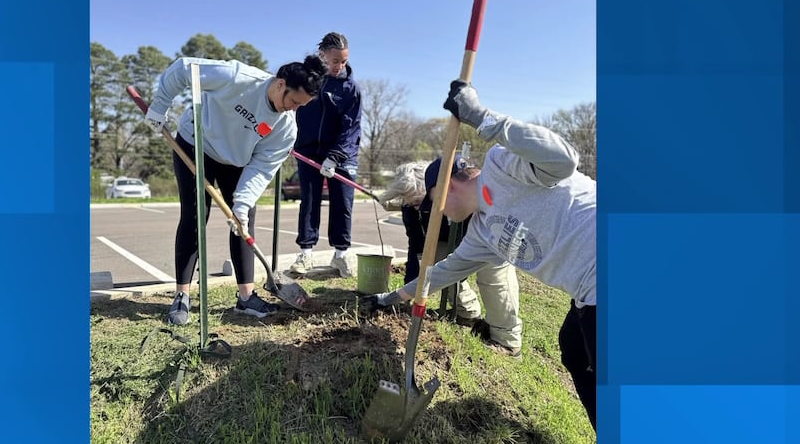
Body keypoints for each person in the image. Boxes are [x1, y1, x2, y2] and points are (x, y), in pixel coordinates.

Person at [363, 80, 597, 430]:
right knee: (575, 350)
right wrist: (391, 298)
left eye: (434, 202)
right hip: (588, 290)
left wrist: (480, 116)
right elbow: (444, 272)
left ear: (447, 184)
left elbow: (564, 160)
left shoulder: (501, 167)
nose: (437, 213)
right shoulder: (482, 232)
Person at [144, 55, 328, 325]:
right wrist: (160, 106)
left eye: (301, 106)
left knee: (244, 221)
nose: (293, 109)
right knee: (196, 216)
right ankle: (182, 295)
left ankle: (246, 298)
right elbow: (184, 69)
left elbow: (262, 168)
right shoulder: (237, 78)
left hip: (236, 159)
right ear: (280, 84)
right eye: (293, 101)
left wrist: (241, 204)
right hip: (196, 143)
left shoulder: (286, 128)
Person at [377, 160, 523, 356]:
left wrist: (460, 266)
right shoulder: (411, 208)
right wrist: (406, 293)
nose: (415, 208)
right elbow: (417, 248)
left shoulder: (468, 198)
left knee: (493, 275)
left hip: (483, 236)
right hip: (446, 240)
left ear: (436, 192)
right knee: (439, 267)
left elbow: (469, 251)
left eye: (419, 202)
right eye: (410, 203)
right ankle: (467, 314)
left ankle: (507, 340)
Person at [288, 32, 363, 278]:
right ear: (322, 55)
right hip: (309, 150)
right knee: (309, 200)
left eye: (343, 61)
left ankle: (341, 254)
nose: (339, 66)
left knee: (343, 202)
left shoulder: (350, 89)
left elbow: (351, 128)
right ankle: (306, 253)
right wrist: (287, 139)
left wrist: (335, 156)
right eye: (334, 61)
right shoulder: (310, 79)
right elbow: (292, 107)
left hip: (342, 153)